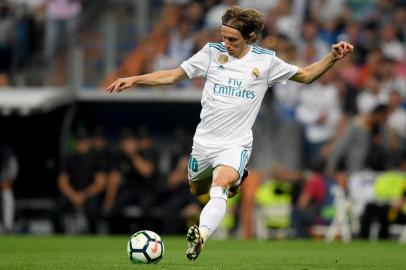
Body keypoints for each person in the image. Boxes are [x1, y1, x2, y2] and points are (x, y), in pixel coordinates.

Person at [106, 6, 353, 260]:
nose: (225, 43)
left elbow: (306, 75)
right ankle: (234, 180)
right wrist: (135, 79)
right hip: (204, 142)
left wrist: (332, 57)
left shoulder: (265, 61)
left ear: (250, 37)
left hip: (235, 143)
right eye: (223, 36)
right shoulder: (211, 53)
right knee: (197, 188)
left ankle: (200, 235)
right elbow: (173, 76)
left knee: (219, 185)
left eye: (232, 39)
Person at [0, 143, 18, 233]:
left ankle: (8, 226)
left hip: (5, 169)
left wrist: (8, 178)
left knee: (7, 193)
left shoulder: (4, 149)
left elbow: (12, 163)